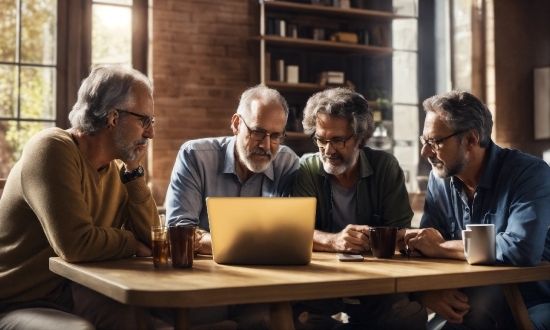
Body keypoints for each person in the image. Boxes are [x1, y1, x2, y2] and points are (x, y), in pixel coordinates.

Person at [0, 65, 160, 330]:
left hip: (70, 295)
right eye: (145, 121)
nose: (151, 133)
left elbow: (153, 240)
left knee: (143, 321)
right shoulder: (52, 148)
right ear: (112, 117)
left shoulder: (120, 170)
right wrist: (132, 245)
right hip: (15, 302)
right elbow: (75, 244)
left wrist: (134, 174)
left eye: (152, 122)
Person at [404, 90, 550, 330]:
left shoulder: (529, 173)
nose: (425, 153)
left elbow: (521, 249)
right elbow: (425, 248)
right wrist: (427, 293)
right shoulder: (439, 179)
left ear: (471, 140)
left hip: (533, 298)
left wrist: (441, 247)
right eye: (424, 141)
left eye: (435, 142)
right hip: (471, 299)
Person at [165, 85, 300, 329]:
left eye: (276, 136)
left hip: (261, 284)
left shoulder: (287, 162)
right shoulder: (195, 156)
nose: (267, 145)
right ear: (237, 124)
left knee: (273, 315)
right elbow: (181, 231)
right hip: (204, 282)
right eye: (258, 132)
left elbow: (285, 233)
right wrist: (256, 243)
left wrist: (211, 240)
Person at [292, 87, 427, 329]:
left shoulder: (385, 167)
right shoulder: (307, 168)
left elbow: (400, 232)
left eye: (338, 140)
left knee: (408, 318)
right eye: (321, 139)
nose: (328, 150)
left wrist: (375, 241)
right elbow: (296, 231)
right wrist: (334, 241)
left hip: (377, 278)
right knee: (294, 319)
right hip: (322, 278)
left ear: (361, 138)